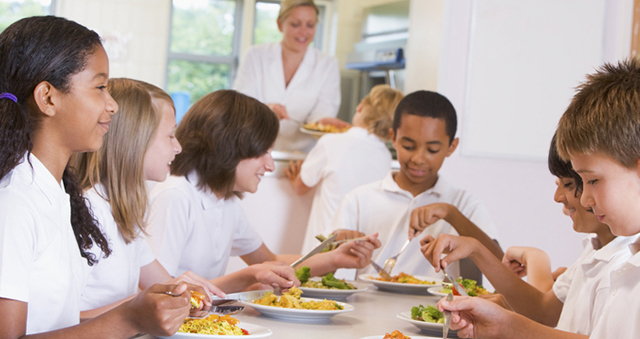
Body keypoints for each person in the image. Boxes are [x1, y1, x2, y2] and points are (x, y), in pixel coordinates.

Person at [0, 16, 197, 338]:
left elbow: (54, 324)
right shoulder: (15, 204)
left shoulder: (56, 194)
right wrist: (128, 319)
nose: (113, 104)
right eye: (100, 87)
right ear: (48, 98)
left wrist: (142, 308)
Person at [436, 59, 640, 339]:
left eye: (591, 181)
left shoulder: (623, 264)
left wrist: (508, 325)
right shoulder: (623, 258)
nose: (585, 198)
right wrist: (504, 325)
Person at [146, 90, 381, 293]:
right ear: (228, 147)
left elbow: (270, 262)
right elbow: (158, 292)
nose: (270, 165)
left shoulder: (223, 200)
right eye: (263, 152)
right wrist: (247, 278)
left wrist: (334, 258)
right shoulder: (176, 196)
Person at [420, 134, 633, 335]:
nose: (558, 197)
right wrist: (476, 250)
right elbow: (542, 309)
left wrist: (508, 326)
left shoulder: (624, 263)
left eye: (569, 184)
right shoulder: (595, 248)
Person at [71, 78, 224, 319]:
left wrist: (180, 292)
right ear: (135, 139)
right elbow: (62, 321)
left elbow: (164, 286)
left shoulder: (124, 210)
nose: (178, 147)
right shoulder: (88, 209)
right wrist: (146, 302)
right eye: (170, 136)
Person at [331, 90, 502, 280]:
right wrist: (334, 245)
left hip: (439, 308)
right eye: (408, 147)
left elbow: (502, 266)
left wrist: (451, 214)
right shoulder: (359, 200)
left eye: (432, 150)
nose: (418, 159)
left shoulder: (463, 204)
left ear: (451, 147)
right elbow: (322, 271)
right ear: (393, 138)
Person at [285, 85, 404, 253]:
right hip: (359, 249)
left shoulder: (330, 142)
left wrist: (294, 177)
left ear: (361, 106)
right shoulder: (385, 155)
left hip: (326, 244)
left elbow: (300, 186)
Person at [233, 0, 341, 153]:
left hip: (301, 158)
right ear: (279, 24)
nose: (303, 32)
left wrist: (323, 122)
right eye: (295, 24)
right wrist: (266, 111)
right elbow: (242, 106)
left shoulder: (327, 65)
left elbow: (322, 112)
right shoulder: (256, 56)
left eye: (310, 25)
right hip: (254, 152)